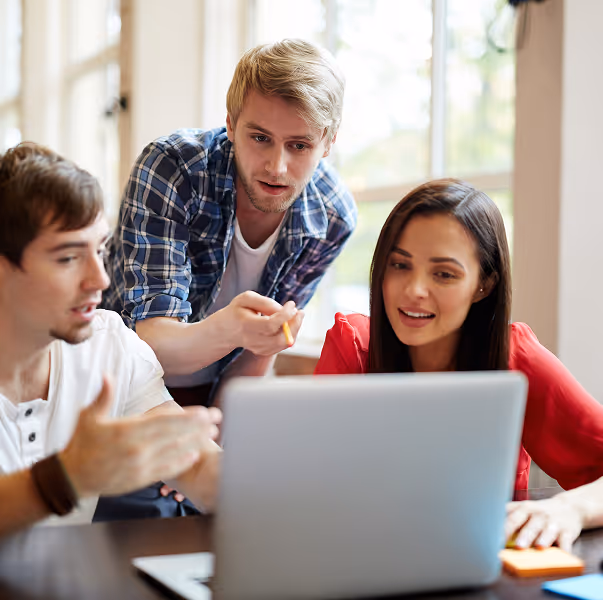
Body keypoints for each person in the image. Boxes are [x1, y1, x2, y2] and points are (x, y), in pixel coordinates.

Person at [102, 38, 357, 407]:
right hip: (113, 382)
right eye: (259, 138)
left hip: (215, 389)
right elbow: (151, 344)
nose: (277, 166)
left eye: (299, 145)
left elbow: (255, 356)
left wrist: (222, 437)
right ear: (231, 124)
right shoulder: (173, 169)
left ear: (328, 142)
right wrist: (235, 329)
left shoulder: (332, 216)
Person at [315, 178, 603, 497]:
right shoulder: (353, 347)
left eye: (444, 274)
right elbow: (303, 480)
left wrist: (569, 509)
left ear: (484, 285)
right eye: (399, 265)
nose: (413, 291)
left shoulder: (516, 360)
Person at [0, 142, 221, 535]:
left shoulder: (109, 343)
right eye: (68, 257)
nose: (100, 279)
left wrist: (276, 497)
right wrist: (66, 477)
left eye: (100, 250)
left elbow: (197, 466)